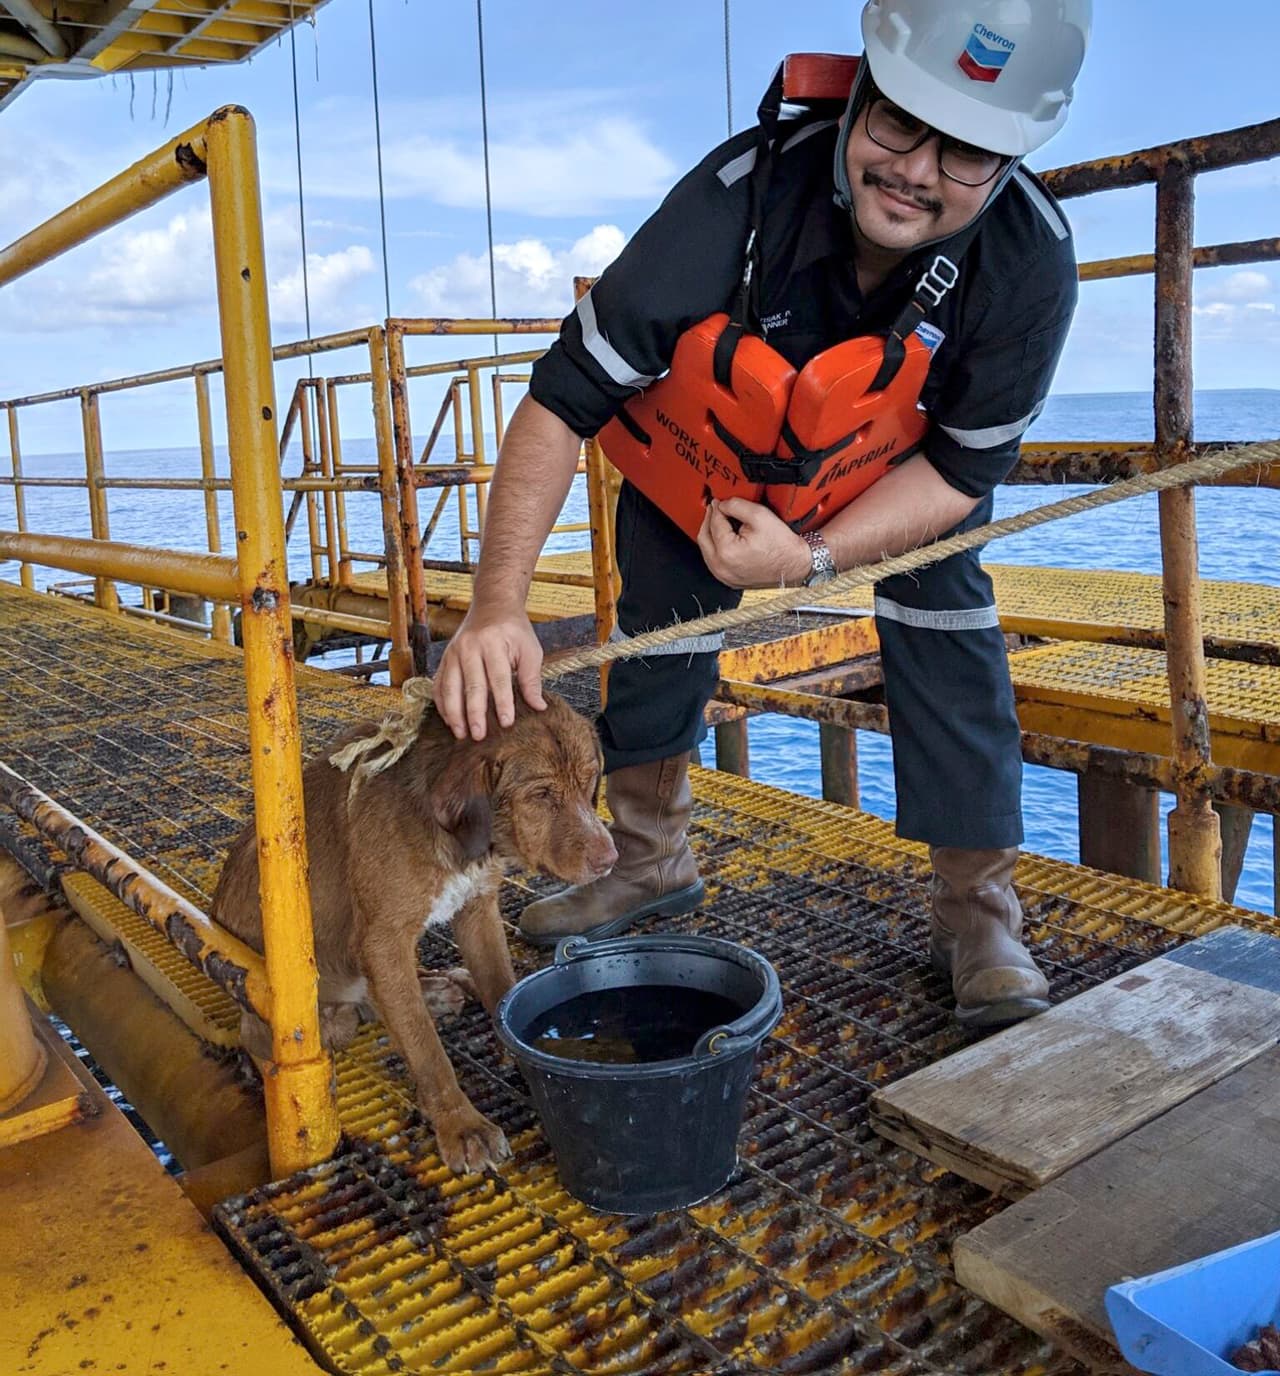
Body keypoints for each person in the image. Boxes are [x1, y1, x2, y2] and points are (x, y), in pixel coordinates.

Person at [436, 0, 1091, 1027]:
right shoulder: (734, 199)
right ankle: (648, 860)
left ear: (1009, 161)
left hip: (885, 482)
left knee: (947, 603)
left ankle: (978, 912)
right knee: (655, 601)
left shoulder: (1027, 262)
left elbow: (960, 476)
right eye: (896, 122)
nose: (915, 168)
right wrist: (495, 605)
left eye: (963, 150)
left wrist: (815, 555)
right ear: (855, 95)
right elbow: (562, 397)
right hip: (708, 475)